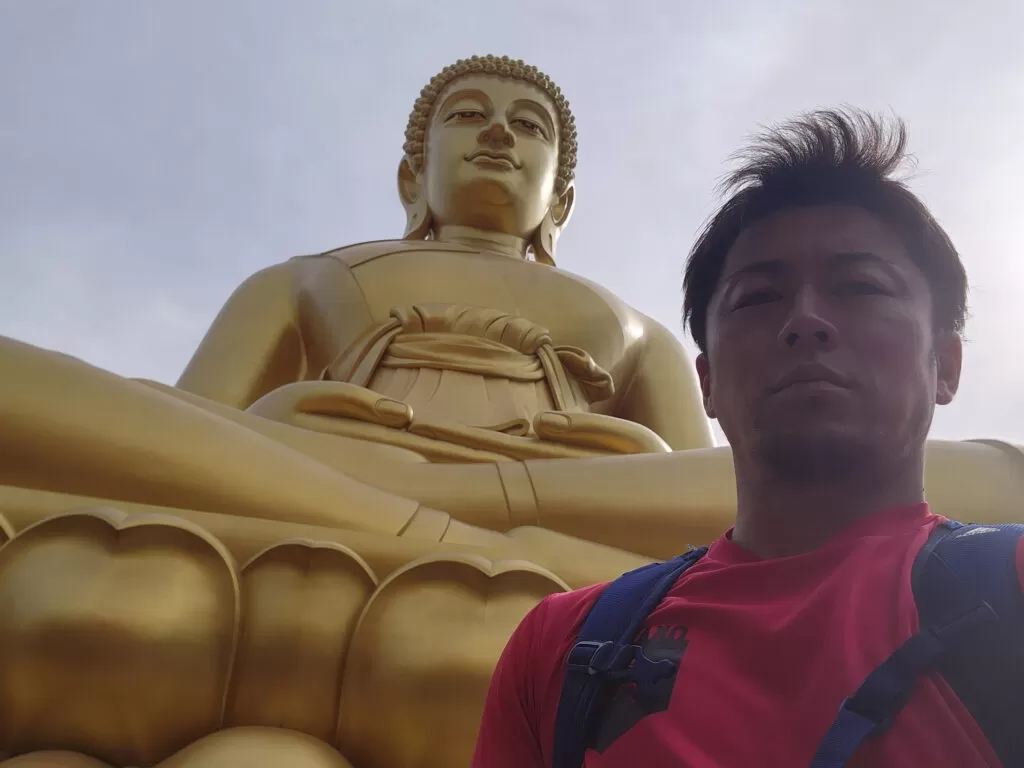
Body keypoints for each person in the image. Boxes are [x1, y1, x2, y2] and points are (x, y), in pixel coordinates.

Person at [470, 108, 1024, 767]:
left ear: (947, 364)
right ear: (706, 381)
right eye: (759, 297)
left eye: (861, 287)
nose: (806, 322)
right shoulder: (564, 645)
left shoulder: (1011, 584)